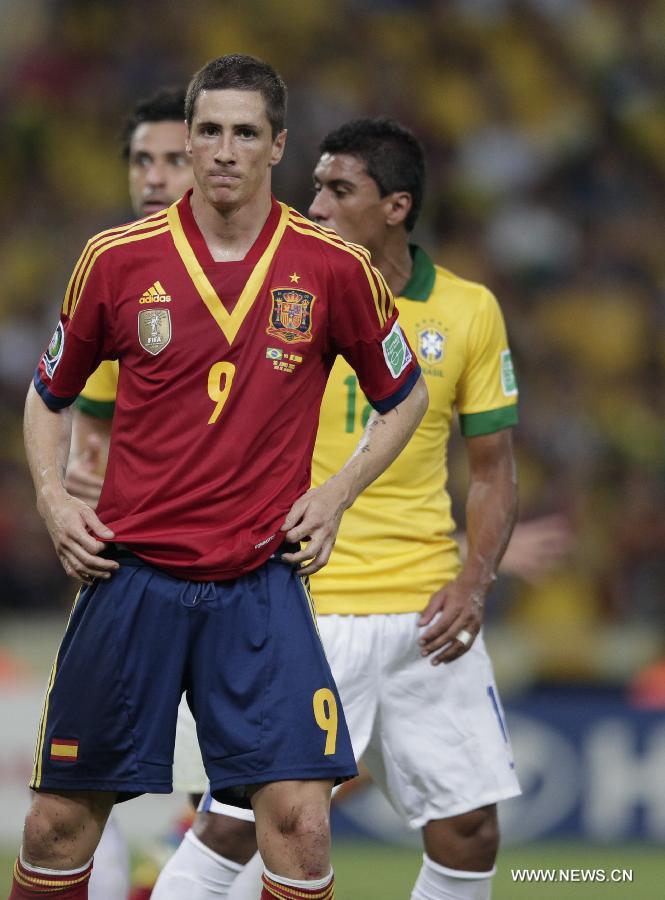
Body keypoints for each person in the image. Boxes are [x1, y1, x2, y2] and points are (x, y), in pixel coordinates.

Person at [14, 55, 428, 900]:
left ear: (277, 146)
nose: (224, 150)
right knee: (57, 823)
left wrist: (336, 492)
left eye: (246, 133)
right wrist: (55, 502)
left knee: (303, 828)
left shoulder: (330, 266)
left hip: (258, 585)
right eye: (209, 131)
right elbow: (46, 394)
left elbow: (404, 395)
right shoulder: (116, 259)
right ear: (191, 140)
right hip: (131, 576)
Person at [153, 116, 525, 900]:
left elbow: (493, 469)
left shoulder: (467, 311)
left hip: (428, 613)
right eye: (315, 185)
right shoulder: (280, 293)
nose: (315, 204)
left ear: (395, 206)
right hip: (306, 602)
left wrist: (475, 580)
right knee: (234, 823)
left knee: (469, 833)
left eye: (338, 188)